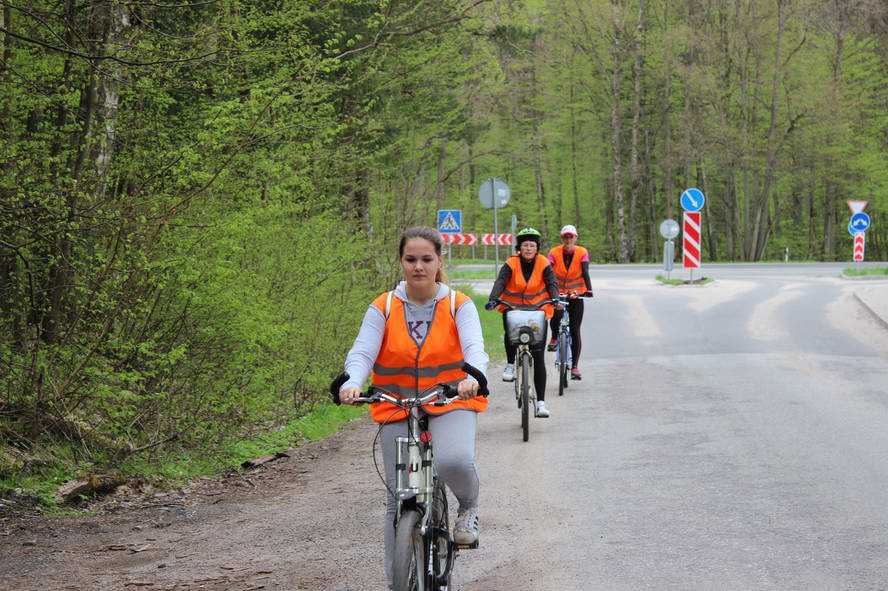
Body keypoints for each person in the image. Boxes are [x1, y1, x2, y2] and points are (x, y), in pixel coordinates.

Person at [338, 226, 489, 586]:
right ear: (401, 262)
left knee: (453, 460)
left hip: (451, 398)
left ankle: (468, 508)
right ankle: (397, 582)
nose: (418, 267)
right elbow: (362, 351)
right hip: (398, 404)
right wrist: (352, 381)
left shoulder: (458, 304)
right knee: (398, 498)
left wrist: (473, 377)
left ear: (439, 261)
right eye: (411, 259)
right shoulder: (384, 306)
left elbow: (475, 349)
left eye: (426, 259)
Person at [484, 227, 560, 418]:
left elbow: (552, 283)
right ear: (520, 247)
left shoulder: (543, 263)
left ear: (537, 248)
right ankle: (510, 364)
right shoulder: (511, 262)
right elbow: (501, 281)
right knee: (510, 329)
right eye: (525, 245)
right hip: (514, 308)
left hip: (537, 310)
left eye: (532, 245)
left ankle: (541, 403)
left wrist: (556, 299)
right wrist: (493, 299)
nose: (528, 248)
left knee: (538, 354)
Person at [546, 224, 593, 380]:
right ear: (562, 238)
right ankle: (554, 337)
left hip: (576, 293)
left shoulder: (582, 252)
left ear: (575, 238)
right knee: (556, 314)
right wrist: (546, 289)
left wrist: (589, 290)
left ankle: (574, 367)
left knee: (574, 329)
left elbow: (585, 272)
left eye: (571, 236)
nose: (568, 239)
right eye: (565, 236)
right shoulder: (553, 252)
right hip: (558, 291)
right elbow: (548, 272)